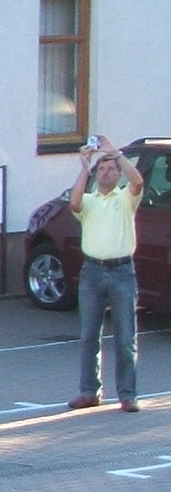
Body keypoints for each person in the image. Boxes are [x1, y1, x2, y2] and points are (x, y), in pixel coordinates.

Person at [68, 136, 143, 412]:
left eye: (111, 169)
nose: (106, 172)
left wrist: (115, 153)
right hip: (92, 272)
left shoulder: (125, 198)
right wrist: (84, 167)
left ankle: (128, 395)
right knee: (89, 336)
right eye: (102, 168)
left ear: (118, 174)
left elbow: (138, 182)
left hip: (122, 271)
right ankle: (89, 392)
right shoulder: (89, 201)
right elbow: (74, 203)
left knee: (125, 337)